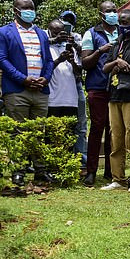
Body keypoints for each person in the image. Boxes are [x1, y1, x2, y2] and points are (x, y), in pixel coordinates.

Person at [0, 0, 54, 186]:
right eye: (25, 8)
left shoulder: (42, 33)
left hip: (40, 89)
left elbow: (49, 60)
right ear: (16, 11)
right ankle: (18, 171)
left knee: (39, 131)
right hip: (17, 90)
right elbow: (2, 60)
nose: (30, 11)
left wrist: (45, 78)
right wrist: (23, 79)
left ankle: (40, 170)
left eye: (32, 8)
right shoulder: (4, 32)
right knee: (18, 131)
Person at [100, 9, 130, 191]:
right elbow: (105, 68)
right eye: (120, 22)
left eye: (126, 23)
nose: (122, 26)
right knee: (115, 137)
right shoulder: (116, 43)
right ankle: (118, 179)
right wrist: (116, 63)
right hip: (114, 95)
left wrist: (127, 67)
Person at [81, 1, 118, 186]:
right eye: (108, 11)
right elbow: (85, 63)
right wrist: (100, 50)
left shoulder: (122, 31)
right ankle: (91, 171)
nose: (112, 13)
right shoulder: (91, 33)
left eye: (114, 10)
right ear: (101, 14)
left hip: (118, 88)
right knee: (97, 129)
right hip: (97, 87)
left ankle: (112, 171)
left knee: (114, 130)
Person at [59, 10, 87, 174]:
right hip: (57, 87)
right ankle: (61, 159)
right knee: (60, 124)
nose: (67, 23)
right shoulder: (50, 37)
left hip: (75, 84)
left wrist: (75, 46)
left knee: (81, 124)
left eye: (70, 21)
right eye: (64, 20)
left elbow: (83, 64)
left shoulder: (78, 38)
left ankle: (82, 161)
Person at [46, 19, 80, 118]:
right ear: (49, 32)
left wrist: (72, 61)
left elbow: (78, 74)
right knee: (52, 132)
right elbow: (45, 71)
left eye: (61, 33)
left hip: (71, 101)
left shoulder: (70, 48)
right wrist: (59, 60)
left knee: (70, 132)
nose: (59, 36)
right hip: (52, 101)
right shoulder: (46, 48)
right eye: (55, 33)